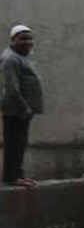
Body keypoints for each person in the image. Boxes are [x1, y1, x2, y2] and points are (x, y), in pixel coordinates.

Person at [1, 25, 43, 187]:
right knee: (13, 143)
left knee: (20, 143)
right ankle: (11, 177)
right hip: (15, 109)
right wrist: (24, 107)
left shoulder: (21, 56)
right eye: (23, 38)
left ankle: (18, 174)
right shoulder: (10, 58)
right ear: (13, 40)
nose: (28, 41)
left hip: (22, 110)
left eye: (30, 38)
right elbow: (11, 86)